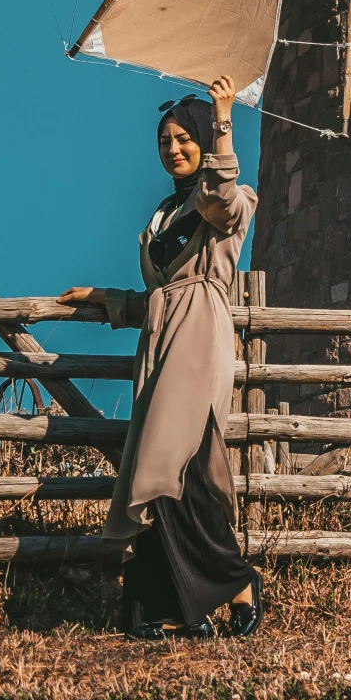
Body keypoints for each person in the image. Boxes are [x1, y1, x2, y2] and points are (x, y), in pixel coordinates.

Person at [61, 76, 263, 640]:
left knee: (183, 468)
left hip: (198, 336)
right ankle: (165, 606)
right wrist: (106, 300)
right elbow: (157, 292)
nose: (173, 149)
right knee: (159, 472)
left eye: (184, 139)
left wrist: (224, 118)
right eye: (165, 142)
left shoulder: (229, 199)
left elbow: (223, 198)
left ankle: (237, 580)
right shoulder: (161, 214)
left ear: (204, 142)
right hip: (160, 341)